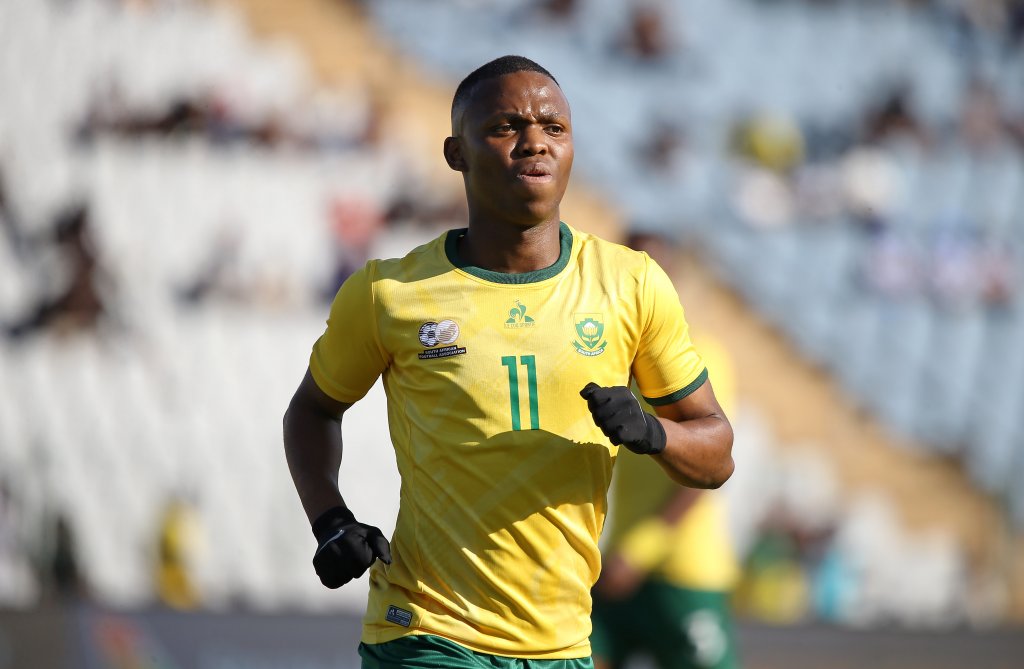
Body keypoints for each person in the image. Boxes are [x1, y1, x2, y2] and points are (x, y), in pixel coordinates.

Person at [283, 55, 734, 668]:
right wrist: (330, 518)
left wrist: (654, 432)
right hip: (425, 633)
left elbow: (717, 453)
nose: (534, 144)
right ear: (455, 152)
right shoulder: (390, 293)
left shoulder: (632, 285)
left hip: (564, 644)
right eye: (505, 127)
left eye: (554, 128)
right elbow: (312, 410)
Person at [591, 335, 742, 669]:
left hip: (683, 574)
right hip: (617, 567)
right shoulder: (606, 354)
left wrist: (640, 550)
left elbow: (708, 466)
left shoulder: (699, 354)